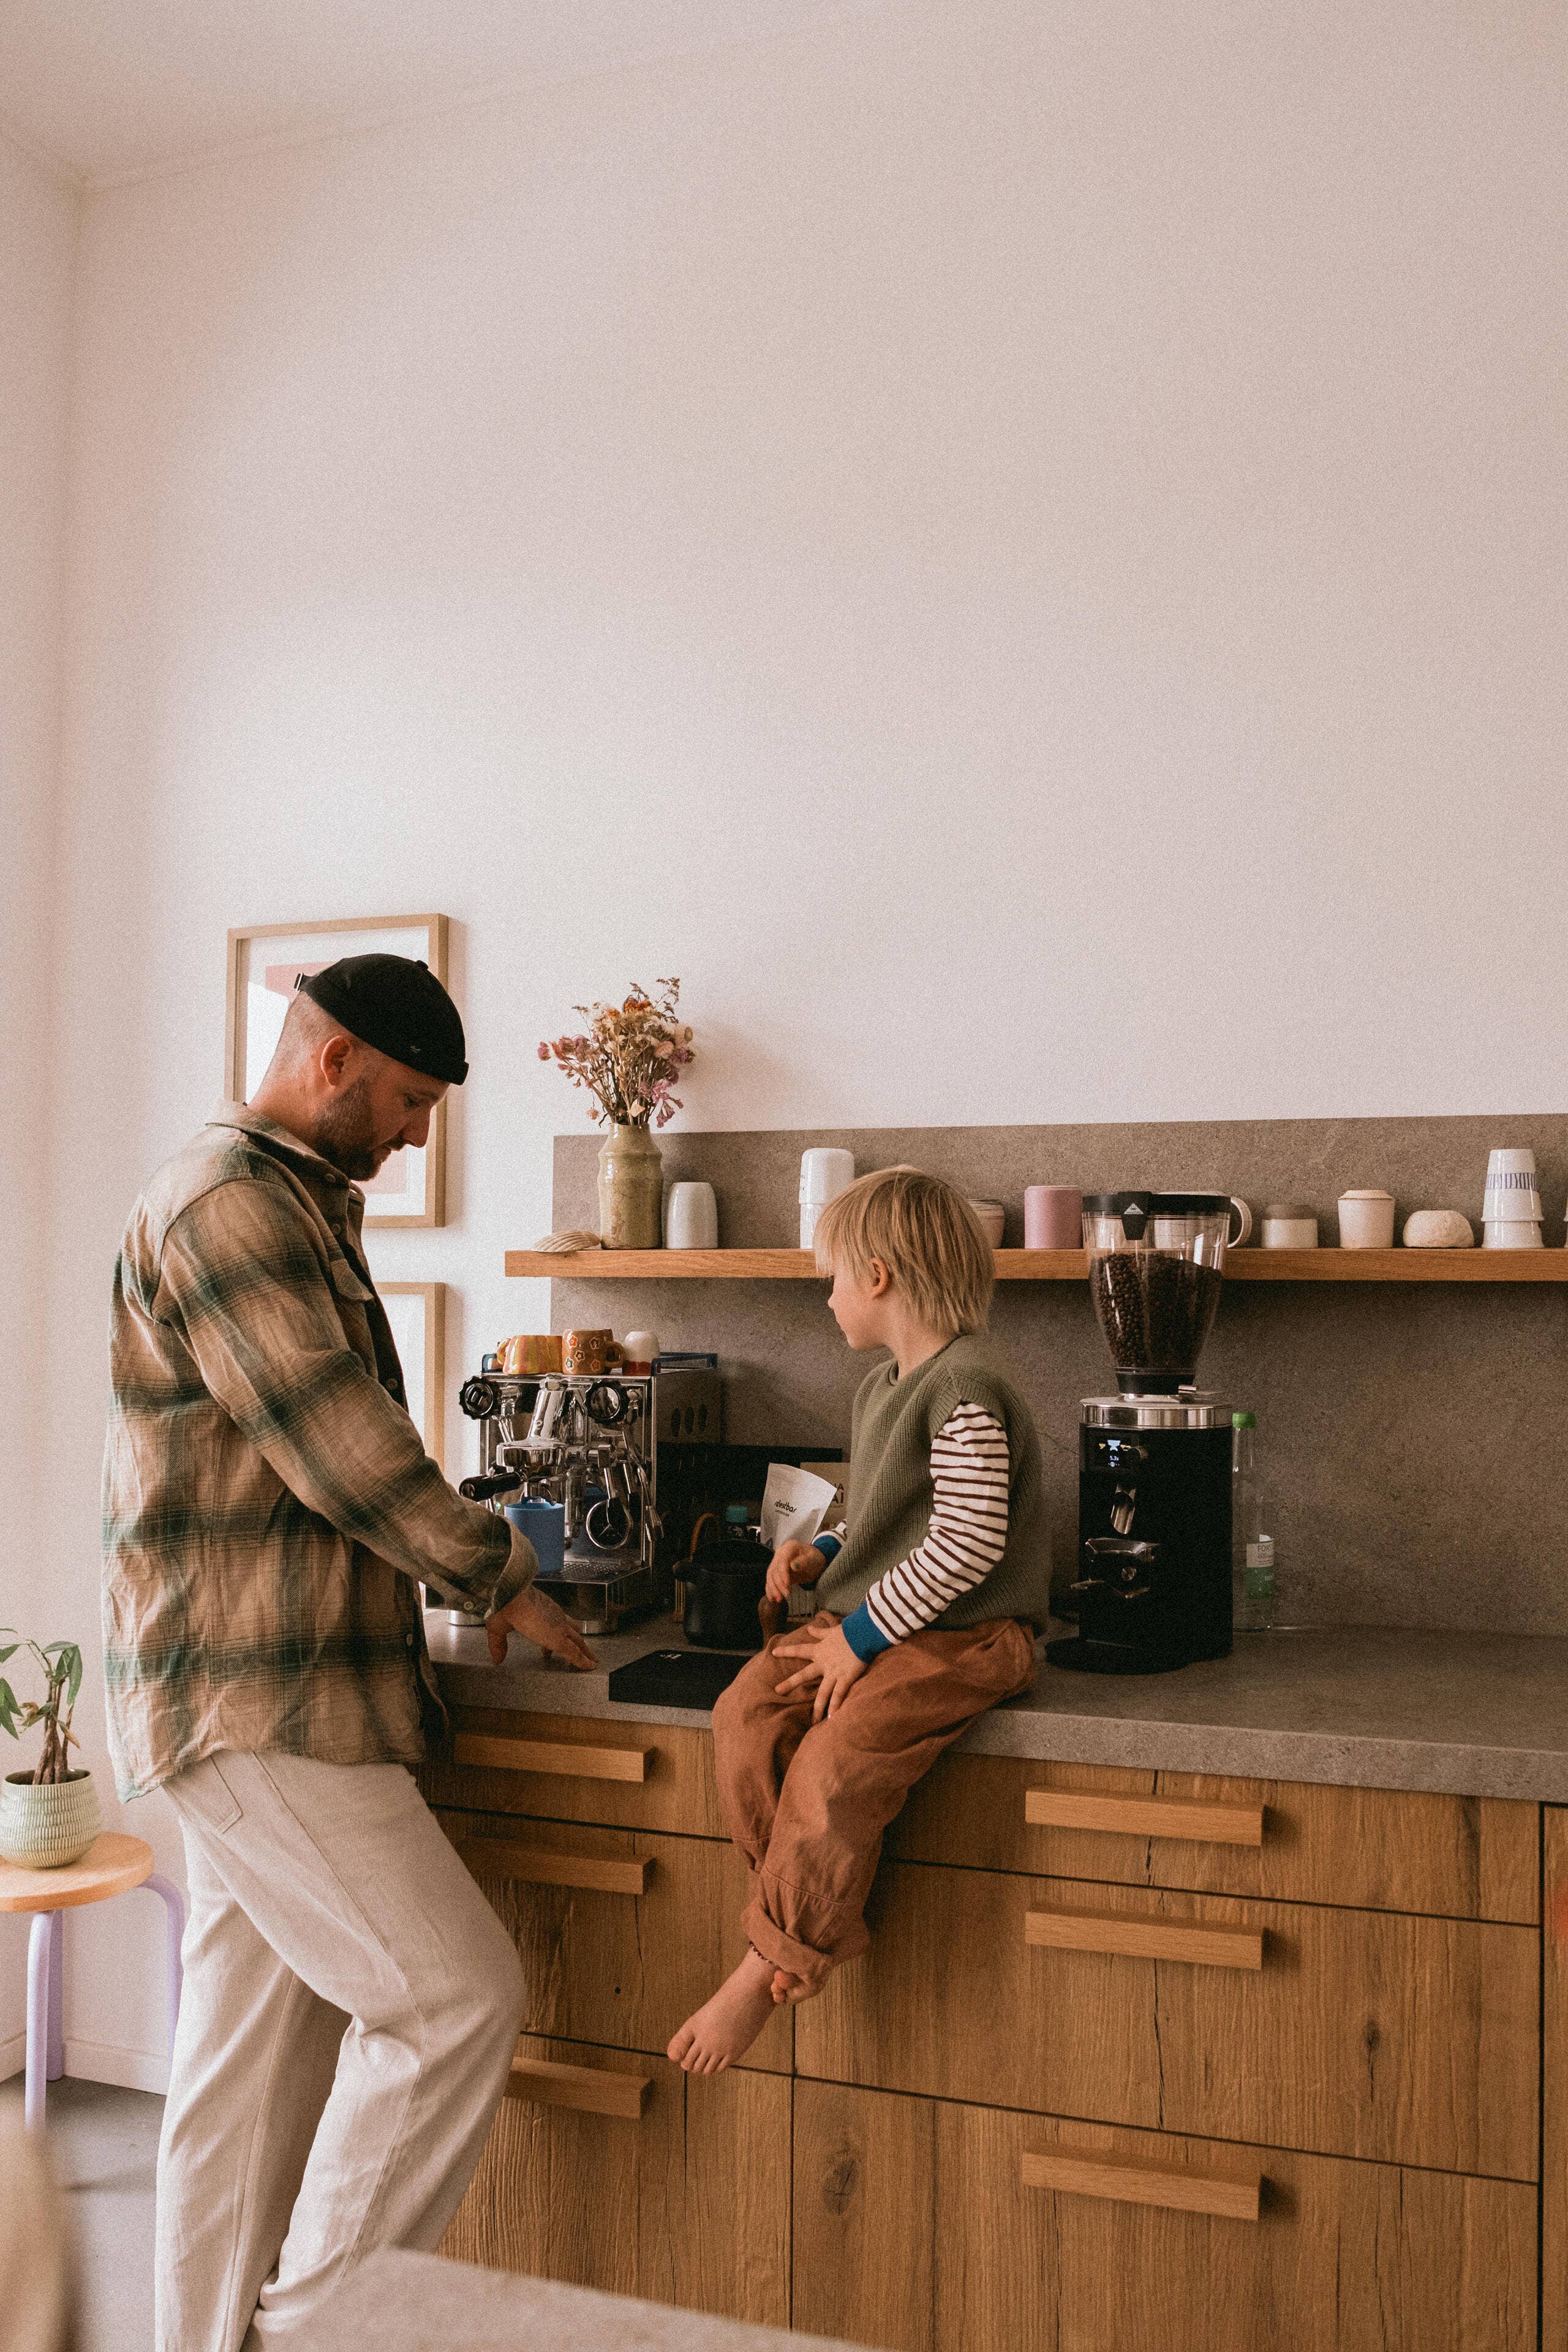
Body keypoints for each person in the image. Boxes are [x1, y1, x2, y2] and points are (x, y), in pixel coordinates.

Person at [102, 954, 596, 2352]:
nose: (418, 1135)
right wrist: (503, 1578)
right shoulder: (227, 1207)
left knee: (244, 2074)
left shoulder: (285, 1199)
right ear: (332, 1062)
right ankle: (321, 2332)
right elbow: (344, 1445)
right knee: (455, 2001)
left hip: (274, 1687)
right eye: (408, 1100)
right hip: (254, 1696)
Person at [668, 1166, 1049, 2073]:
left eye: (832, 1278)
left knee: (834, 1765)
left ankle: (768, 1961)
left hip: (961, 1637)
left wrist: (859, 1637)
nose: (828, 1297)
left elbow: (969, 1543)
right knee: (745, 1715)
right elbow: (893, 1518)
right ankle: (795, 1930)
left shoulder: (966, 1387)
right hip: (880, 1620)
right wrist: (826, 1553)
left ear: (877, 1277)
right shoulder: (885, 1387)